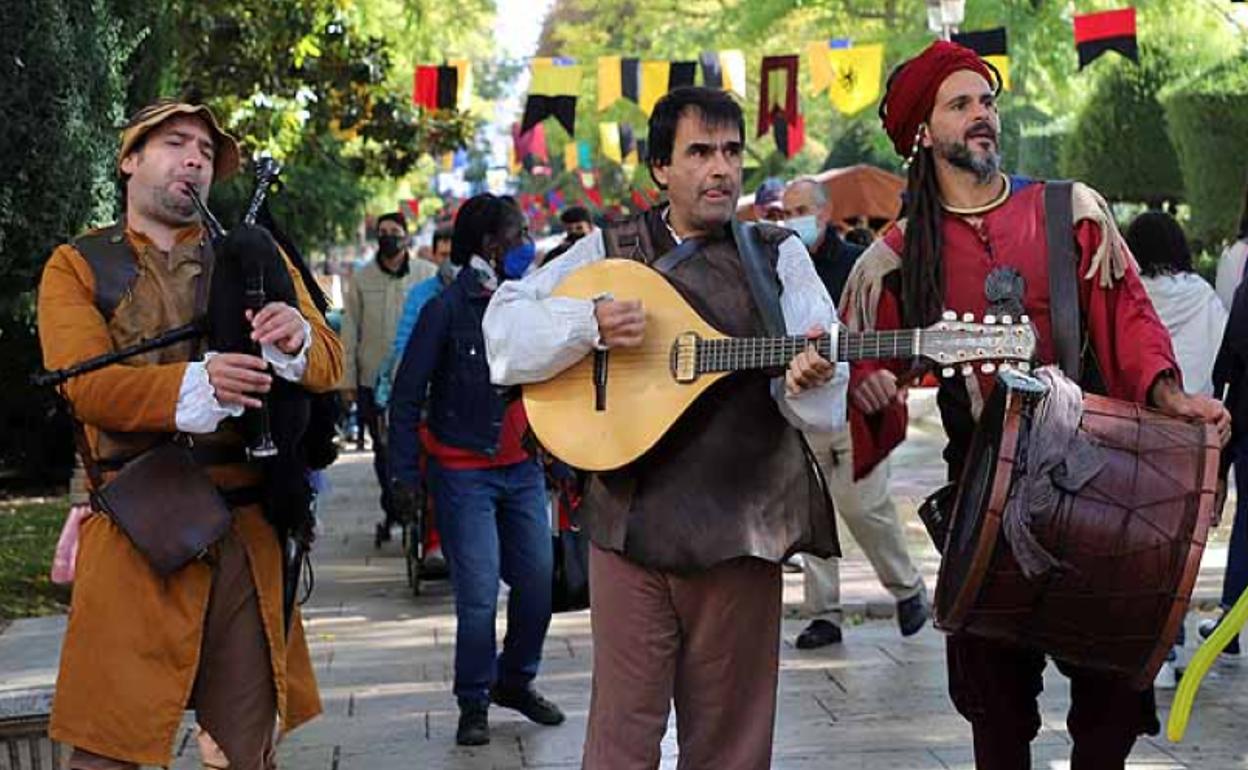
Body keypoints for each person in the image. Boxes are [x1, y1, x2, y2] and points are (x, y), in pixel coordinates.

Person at [841, 42, 1230, 768]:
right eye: (961, 104)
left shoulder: (1070, 212)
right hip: (981, 500)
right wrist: (868, 382)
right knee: (995, 717)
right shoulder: (894, 258)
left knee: (1110, 711)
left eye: (987, 100)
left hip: (1099, 483)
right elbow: (870, 372)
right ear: (925, 133)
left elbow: (1129, 320)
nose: (983, 115)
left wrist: (1173, 397)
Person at [483, 86, 847, 769]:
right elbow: (503, 332)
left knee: (730, 748)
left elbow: (824, 405)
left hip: (746, 527)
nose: (721, 169)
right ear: (660, 167)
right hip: (630, 526)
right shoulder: (605, 249)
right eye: (700, 152)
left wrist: (812, 377)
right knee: (621, 742)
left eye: (732, 152)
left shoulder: (780, 258)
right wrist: (584, 324)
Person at [37, 100, 343, 769]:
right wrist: (196, 386)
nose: (195, 160)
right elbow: (81, 384)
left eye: (206, 152)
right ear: (129, 159)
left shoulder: (253, 253)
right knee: (108, 753)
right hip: (135, 528)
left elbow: (330, 360)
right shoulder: (77, 265)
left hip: (249, 533)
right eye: (176, 144)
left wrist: (294, 340)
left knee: (243, 754)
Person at [387, 194, 559, 747]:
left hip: (524, 468)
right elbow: (408, 394)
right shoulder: (446, 308)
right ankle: (473, 700)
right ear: (490, 245)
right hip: (463, 471)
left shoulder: (529, 303)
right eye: (520, 233)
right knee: (480, 592)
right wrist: (403, 478)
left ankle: (515, 681)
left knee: (537, 584)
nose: (528, 242)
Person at [781, 176, 929, 649]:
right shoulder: (778, 266)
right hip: (803, 409)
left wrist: (881, 378)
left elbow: (881, 326)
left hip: (855, 408)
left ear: (824, 213)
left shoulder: (855, 265)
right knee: (814, 512)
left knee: (864, 506)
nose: (791, 221)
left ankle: (908, 588)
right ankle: (823, 613)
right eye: (785, 213)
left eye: (800, 209)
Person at [339, 211, 436, 546]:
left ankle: (419, 508)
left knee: (419, 447)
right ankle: (394, 506)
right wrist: (347, 381)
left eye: (395, 231)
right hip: (373, 383)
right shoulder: (361, 279)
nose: (388, 237)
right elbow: (350, 330)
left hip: (420, 382)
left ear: (407, 237)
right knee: (383, 450)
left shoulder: (427, 275)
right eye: (382, 232)